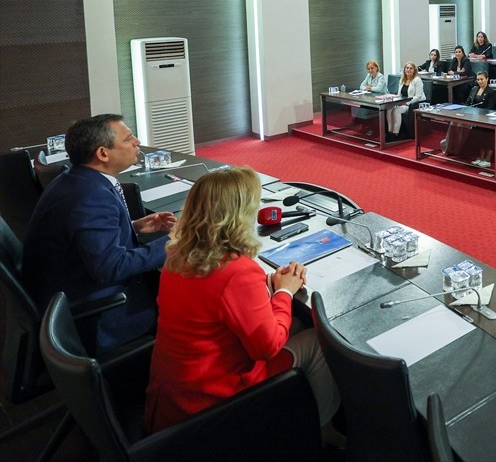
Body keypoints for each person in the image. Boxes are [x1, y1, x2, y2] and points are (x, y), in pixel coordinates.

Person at [144, 167, 340, 435]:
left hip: (174, 396)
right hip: (211, 402)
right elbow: (267, 347)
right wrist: (284, 292)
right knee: (318, 341)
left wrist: (267, 285)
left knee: (294, 324)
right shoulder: (236, 270)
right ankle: (315, 433)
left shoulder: (178, 253)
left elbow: (217, 301)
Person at [22, 114, 175, 353]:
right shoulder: (92, 196)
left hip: (62, 287)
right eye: (128, 139)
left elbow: (81, 234)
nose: (137, 142)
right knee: (186, 298)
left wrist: (133, 226)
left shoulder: (75, 179)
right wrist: (173, 242)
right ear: (103, 153)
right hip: (96, 313)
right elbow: (110, 267)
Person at [390, 61, 426, 139]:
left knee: (396, 111)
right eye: (407, 68)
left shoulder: (417, 80)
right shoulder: (402, 79)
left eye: (411, 68)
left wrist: (407, 103)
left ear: (414, 70)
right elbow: (399, 94)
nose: (408, 70)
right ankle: (390, 131)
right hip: (403, 102)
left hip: (414, 103)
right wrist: (396, 102)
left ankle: (396, 133)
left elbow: (418, 96)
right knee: (389, 109)